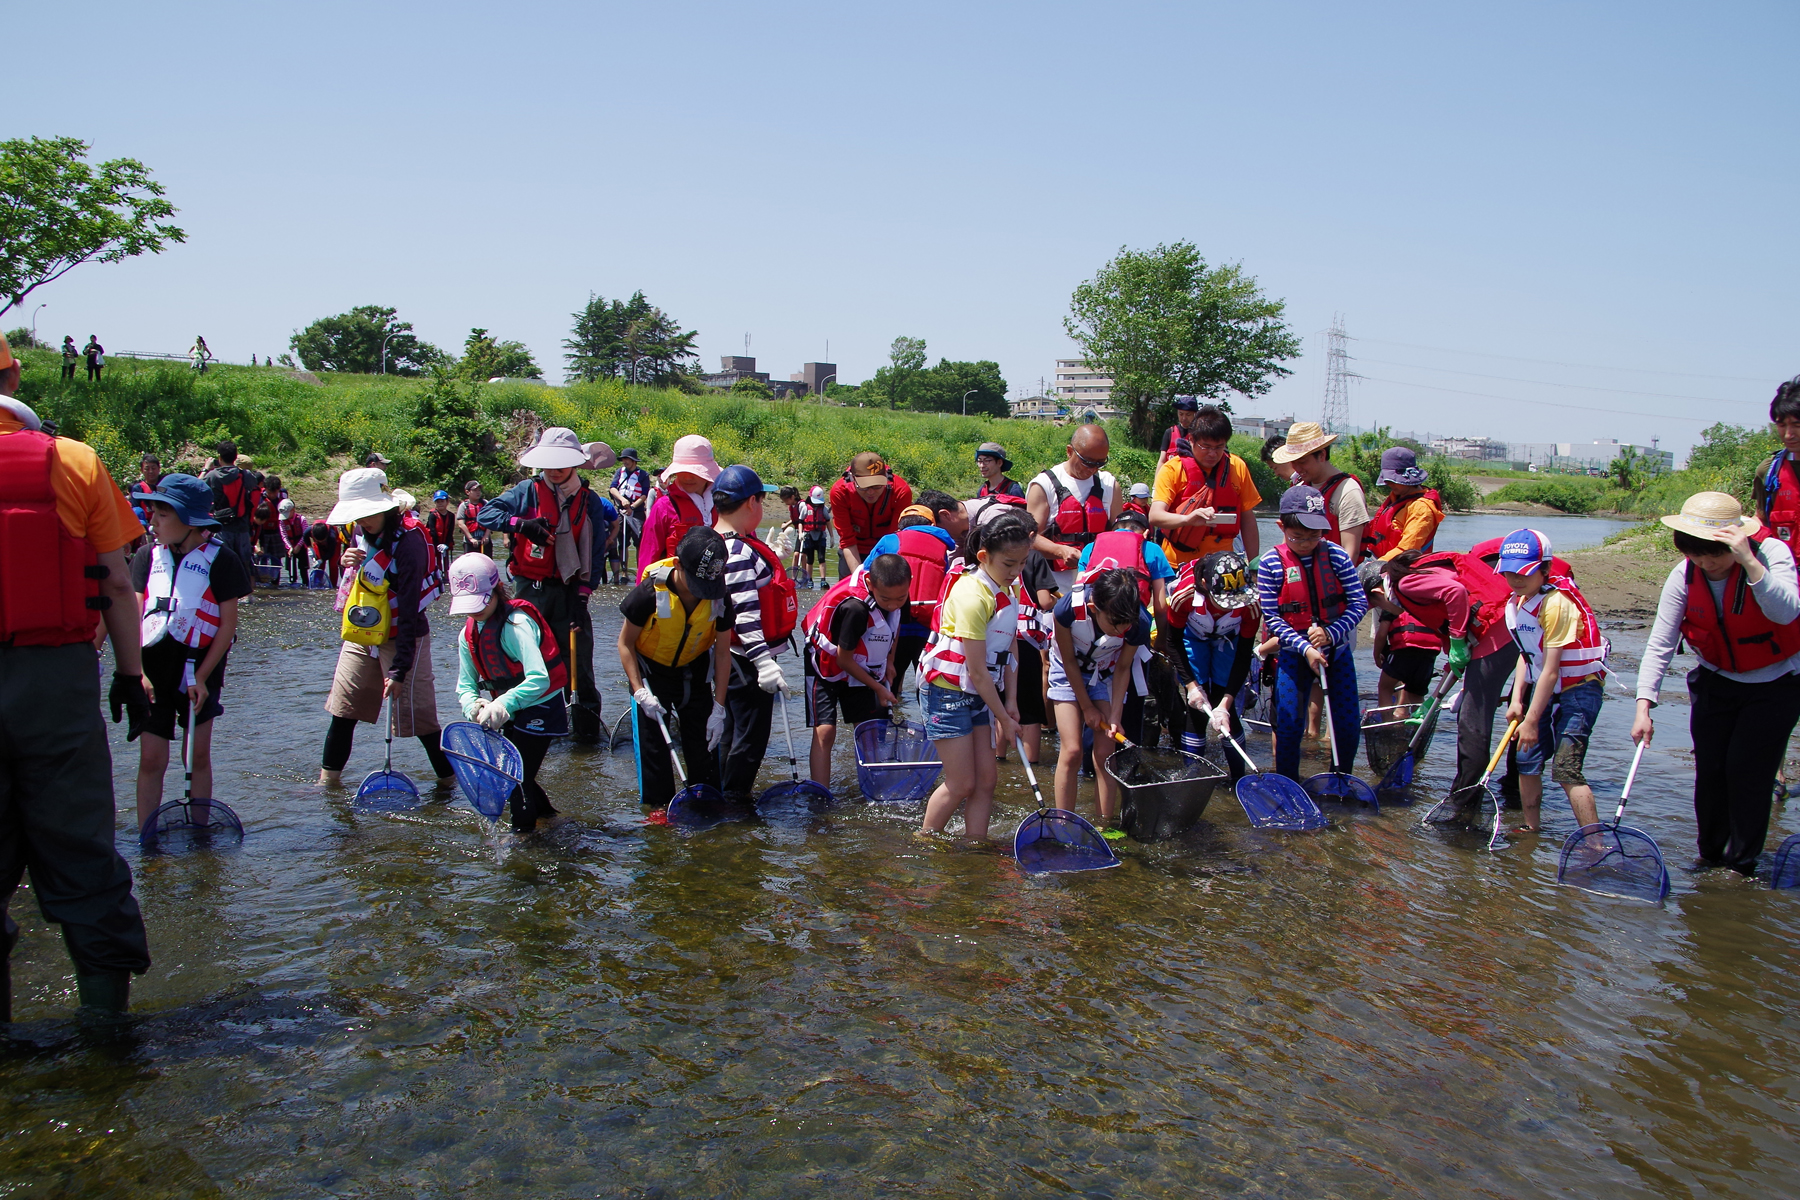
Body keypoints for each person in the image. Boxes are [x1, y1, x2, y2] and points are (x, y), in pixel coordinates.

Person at [2, 330, 154, 1021]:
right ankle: (104, 1032)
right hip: (55, 682)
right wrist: (131, 675)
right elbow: (116, 584)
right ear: (14, 377)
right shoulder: (73, 460)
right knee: (81, 845)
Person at [1631, 492, 1800, 875]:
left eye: (1715, 555)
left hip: (1775, 684)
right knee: (1710, 772)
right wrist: (1644, 706)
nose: (1707, 564)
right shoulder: (1685, 574)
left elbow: (1786, 611)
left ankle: (1741, 865)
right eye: (1696, 555)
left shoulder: (1770, 554)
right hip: (1716, 681)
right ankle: (1709, 856)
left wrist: (1749, 562)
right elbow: (1661, 642)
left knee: (1747, 772)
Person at [478, 427, 618, 743]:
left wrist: (583, 598)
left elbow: (596, 555)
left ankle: (586, 737)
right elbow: (487, 514)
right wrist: (522, 525)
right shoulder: (527, 491)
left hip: (571, 590)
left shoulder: (589, 501)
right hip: (531, 590)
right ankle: (524, 730)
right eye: (549, 464)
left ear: (575, 463)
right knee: (528, 661)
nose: (554, 471)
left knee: (578, 663)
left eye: (562, 463)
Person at [128, 472, 251, 829]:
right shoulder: (145, 558)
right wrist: (138, 673)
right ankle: (147, 838)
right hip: (152, 671)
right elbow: (132, 618)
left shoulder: (222, 559)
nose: (152, 522)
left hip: (200, 670)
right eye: (152, 513)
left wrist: (201, 676)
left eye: (162, 515)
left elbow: (227, 626)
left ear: (189, 521)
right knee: (151, 758)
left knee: (195, 755)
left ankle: (200, 832)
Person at [318, 467, 453, 788]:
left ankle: (449, 784)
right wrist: (349, 562)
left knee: (421, 721)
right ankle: (326, 786)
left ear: (386, 507)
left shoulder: (410, 544)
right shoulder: (362, 532)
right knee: (343, 710)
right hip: (363, 632)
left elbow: (408, 611)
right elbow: (361, 581)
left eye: (366, 514)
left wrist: (398, 670)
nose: (360, 522)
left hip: (403, 637)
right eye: (357, 515)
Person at [918, 511, 1033, 841]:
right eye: (1009, 564)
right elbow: (978, 671)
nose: (1016, 572)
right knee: (961, 783)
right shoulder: (972, 594)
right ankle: (924, 840)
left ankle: (974, 845)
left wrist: (1011, 702)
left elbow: (1010, 647)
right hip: (947, 693)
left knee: (986, 781)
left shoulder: (1008, 589)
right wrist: (1004, 720)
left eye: (1022, 563)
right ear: (984, 557)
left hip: (979, 694)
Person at [1498, 528, 1610, 834]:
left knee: (1566, 768)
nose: (1516, 580)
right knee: (1526, 758)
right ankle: (1530, 828)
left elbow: (1550, 668)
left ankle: (1593, 841)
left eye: (1524, 573)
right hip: (1544, 686)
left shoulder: (1556, 604)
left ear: (1545, 569)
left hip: (1579, 688)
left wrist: (1532, 721)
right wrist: (1517, 699)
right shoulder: (1519, 601)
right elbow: (1527, 655)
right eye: (1509, 572)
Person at [450, 553, 571, 834]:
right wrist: (474, 707)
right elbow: (465, 685)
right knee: (518, 773)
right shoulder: (466, 635)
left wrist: (503, 702)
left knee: (516, 778)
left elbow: (539, 679)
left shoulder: (517, 625)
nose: (475, 612)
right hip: (508, 708)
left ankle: (524, 839)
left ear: (496, 590)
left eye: (481, 603)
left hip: (540, 704)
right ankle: (550, 819)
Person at [1257, 485, 1368, 781]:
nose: (1306, 543)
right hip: (1294, 656)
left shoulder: (1337, 557)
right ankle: (1288, 783)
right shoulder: (1271, 564)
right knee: (1290, 723)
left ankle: (1341, 778)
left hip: (1336, 654)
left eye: (1314, 536)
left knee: (1346, 722)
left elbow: (1359, 603)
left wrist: (1331, 634)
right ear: (1282, 527)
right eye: (1298, 537)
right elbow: (1273, 619)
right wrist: (1305, 647)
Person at [617, 527, 734, 809]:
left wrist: (719, 708)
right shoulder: (648, 593)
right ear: (678, 564)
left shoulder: (719, 598)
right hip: (651, 675)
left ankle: (705, 803)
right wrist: (639, 691)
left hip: (694, 673)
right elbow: (625, 644)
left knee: (704, 745)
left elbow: (722, 653)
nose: (700, 593)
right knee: (655, 747)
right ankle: (657, 813)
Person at [711, 466, 799, 802]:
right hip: (744, 659)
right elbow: (744, 613)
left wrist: (774, 555)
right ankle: (733, 801)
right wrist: (763, 662)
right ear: (751, 502)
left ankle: (722, 794)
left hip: (735, 657)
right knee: (749, 737)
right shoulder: (737, 551)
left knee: (731, 732)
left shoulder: (728, 543)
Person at [1048, 567, 1153, 830]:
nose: (1122, 629)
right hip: (1067, 669)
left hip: (1104, 671)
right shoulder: (1066, 610)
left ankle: (1105, 826)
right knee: (1072, 750)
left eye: (1126, 623)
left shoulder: (1137, 622)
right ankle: (1063, 824)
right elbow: (1069, 661)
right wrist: (1086, 707)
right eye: (1115, 623)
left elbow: (1123, 668)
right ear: (1094, 608)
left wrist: (1115, 716)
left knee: (1106, 751)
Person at [801, 554, 912, 787]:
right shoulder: (855, 609)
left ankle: (873, 786)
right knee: (826, 731)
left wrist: (890, 661)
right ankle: (821, 794)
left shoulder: (898, 594)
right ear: (870, 584)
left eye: (900, 598)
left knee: (868, 729)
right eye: (886, 599)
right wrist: (879, 689)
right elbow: (843, 660)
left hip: (861, 663)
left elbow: (894, 624)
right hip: (827, 664)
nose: (893, 604)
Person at [862, 491, 968, 694]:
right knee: (926, 681)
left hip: (893, 623)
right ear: (933, 525)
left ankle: (889, 716)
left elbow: (865, 573)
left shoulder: (889, 540)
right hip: (927, 627)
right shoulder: (942, 547)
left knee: (890, 679)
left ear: (901, 525)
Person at [1167, 550, 1260, 775]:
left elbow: (1243, 655)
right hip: (1193, 636)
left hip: (1229, 640)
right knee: (1199, 707)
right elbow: (1173, 641)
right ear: (1205, 584)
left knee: (1220, 702)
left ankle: (1239, 779)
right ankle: (1193, 776)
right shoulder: (1185, 597)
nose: (1229, 607)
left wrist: (1226, 705)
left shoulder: (1251, 604)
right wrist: (1191, 686)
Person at [1150, 403, 1263, 570]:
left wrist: (1254, 565)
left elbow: (1248, 519)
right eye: (1206, 447)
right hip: (1179, 565)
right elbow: (1155, 516)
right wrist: (1187, 519)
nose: (1212, 454)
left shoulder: (1237, 467)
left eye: (1219, 447)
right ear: (1191, 440)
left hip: (1223, 564)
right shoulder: (1173, 468)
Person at [1027, 423, 1121, 592]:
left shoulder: (1110, 485)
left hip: (1099, 583)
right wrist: (1060, 550)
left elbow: (1120, 534)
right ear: (1070, 451)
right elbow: (1030, 536)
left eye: (1100, 463)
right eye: (1087, 462)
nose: (1093, 469)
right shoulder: (1043, 485)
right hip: (1056, 585)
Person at [1272, 422, 1368, 560]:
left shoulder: (1348, 491)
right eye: (1293, 461)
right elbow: (1287, 542)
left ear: (1322, 455)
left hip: (1333, 576)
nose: (1297, 468)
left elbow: (1351, 553)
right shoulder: (1299, 489)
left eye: (1302, 461)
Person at [640, 434, 720, 580]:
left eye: (695, 472)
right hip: (677, 595)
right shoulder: (663, 507)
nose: (687, 478)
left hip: (722, 591)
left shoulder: (725, 503)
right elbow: (648, 558)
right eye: (683, 471)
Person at [831, 451, 914, 578]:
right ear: (853, 478)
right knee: (853, 590)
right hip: (854, 549)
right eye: (864, 487)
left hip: (887, 548)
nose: (871, 492)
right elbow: (847, 540)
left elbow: (895, 538)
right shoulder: (840, 492)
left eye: (877, 486)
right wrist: (859, 579)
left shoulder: (900, 491)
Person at [1752, 375, 1800, 561]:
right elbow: (1761, 519)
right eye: (1781, 425)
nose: (1788, 434)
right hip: (1785, 577)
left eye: (1797, 425)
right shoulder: (1769, 470)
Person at [203, 439, 263, 583]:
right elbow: (254, 485)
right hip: (242, 527)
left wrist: (206, 468)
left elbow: (197, 489)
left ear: (219, 458)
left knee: (223, 563)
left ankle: (226, 598)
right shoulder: (245, 475)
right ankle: (248, 598)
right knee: (244, 564)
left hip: (221, 527)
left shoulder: (212, 476)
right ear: (236, 457)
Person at [608, 448, 654, 583]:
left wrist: (633, 507)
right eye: (623, 459)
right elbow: (612, 488)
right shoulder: (619, 472)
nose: (625, 462)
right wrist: (622, 500)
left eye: (627, 459)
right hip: (621, 510)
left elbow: (645, 494)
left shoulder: (643, 475)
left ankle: (641, 571)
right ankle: (624, 572)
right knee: (622, 542)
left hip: (637, 511)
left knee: (639, 541)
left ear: (633, 461)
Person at [1153, 395, 1202, 474]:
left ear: (1195, 414)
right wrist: (1156, 484)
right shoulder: (1169, 432)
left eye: (1188, 415)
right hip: (1171, 478)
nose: (1184, 418)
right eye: (1181, 414)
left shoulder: (1200, 433)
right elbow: (1162, 460)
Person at [797, 485, 831, 588]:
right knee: (810, 559)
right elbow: (800, 521)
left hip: (821, 536)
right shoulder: (805, 507)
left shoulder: (823, 508)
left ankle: (823, 580)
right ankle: (810, 580)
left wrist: (832, 536)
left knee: (821, 558)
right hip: (808, 536)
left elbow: (828, 521)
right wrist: (800, 533)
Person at [127, 453, 163, 540]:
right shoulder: (137, 488)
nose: (150, 471)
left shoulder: (165, 484)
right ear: (142, 470)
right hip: (147, 527)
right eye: (147, 468)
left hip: (164, 524)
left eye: (153, 468)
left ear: (159, 469)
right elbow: (135, 511)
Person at [456, 481, 493, 557]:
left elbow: (490, 520)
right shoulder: (463, 506)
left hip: (485, 540)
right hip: (470, 541)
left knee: (486, 563)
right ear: (467, 492)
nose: (478, 492)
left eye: (479, 490)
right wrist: (471, 538)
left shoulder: (485, 503)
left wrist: (486, 536)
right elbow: (461, 524)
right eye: (475, 490)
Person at [277, 498, 308, 584]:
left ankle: (305, 584)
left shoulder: (301, 519)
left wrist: (298, 546)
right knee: (290, 569)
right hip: (290, 547)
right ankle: (292, 582)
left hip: (301, 547)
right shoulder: (282, 521)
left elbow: (305, 535)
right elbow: (284, 535)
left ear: (293, 510)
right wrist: (289, 547)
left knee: (303, 569)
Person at [305, 521, 343, 589]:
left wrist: (321, 560)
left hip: (334, 546)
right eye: (319, 540)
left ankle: (333, 586)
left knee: (333, 565)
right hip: (318, 546)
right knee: (319, 566)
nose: (321, 542)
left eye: (322, 540)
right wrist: (309, 547)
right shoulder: (309, 530)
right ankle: (318, 585)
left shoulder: (332, 536)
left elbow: (331, 553)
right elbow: (304, 536)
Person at [423, 490, 456, 559]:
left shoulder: (451, 516)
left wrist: (446, 544)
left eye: (442, 501)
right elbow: (433, 531)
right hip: (435, 544)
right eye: (438, 502)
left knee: (445, 564)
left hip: (445, 544)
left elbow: (450, 531)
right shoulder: (432, 515)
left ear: (447, 502)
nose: (440, 503)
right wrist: (437, 545)